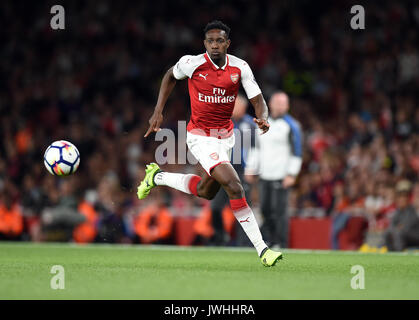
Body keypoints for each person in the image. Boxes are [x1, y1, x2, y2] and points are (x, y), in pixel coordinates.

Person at [137, 20, 282, 267]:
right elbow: (170, 76)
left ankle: (157, 177)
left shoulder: (239, 67)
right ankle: (263, 250)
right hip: (200, 137)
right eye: (210, 41)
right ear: (205, 43)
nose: (215, 45)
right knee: (235, 187)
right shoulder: (192, 63)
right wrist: (158, 110)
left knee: (206, 191)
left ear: (228, 43)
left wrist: (264, 117)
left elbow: (257, 98)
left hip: (226, 137)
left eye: (220, 41)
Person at [245, 92, 303, 248]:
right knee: (264, 209)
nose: (280, 105)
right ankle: (270, 240)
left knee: (280, 211)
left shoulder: (292, 126)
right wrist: (251, 167)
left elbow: (297, 151)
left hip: (281, 175)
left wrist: (292, 174)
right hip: (265, 174)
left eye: (283, 103)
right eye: (277, 102)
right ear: (270, 104)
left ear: (288, 105)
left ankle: (281, 242)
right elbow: (255, 148)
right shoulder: (263, 123)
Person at [209, 94, 256, 246]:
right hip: (224, 169)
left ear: (243, 108)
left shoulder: (250, 124)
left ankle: (243, 242)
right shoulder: (221, 122)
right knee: (215, 206)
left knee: (242, 208)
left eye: (237, 106)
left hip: (242, 171)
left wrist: (251, 169)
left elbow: (257, 149)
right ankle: (220, 236)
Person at [384, 180, 419, 251]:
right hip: (403, 234)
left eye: (403, 199)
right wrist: (395, 229)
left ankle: (399, 253)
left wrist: (398, 228)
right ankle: (390, 254)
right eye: (399, 199)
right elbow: (392, 225)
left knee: (399, 233)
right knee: (387, 233)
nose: (400, 201)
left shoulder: (411, 210)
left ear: (407, 200)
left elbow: (408, 226)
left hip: (415, 235)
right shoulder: (398, 212)